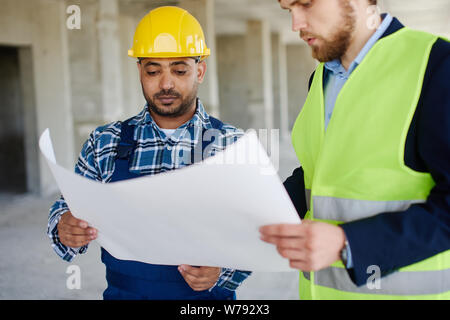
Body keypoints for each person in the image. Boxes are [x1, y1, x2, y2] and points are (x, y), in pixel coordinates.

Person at [47, 6, 250, 300]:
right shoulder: (106, 142)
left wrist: (224, 270)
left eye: (180, 70)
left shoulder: (231, 145)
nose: (166, 83)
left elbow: (257, 232)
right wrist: (64, 226)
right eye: (153, 71)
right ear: (140, 71)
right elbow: (67, 207)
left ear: (200, 70)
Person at [260, 0, 449, 299]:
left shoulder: (437, 65)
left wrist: (348, 244)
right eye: (288, 10)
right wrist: (244, 222)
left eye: (306, 4)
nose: (296, 24)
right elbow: (316, 175)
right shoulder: (321, 78)